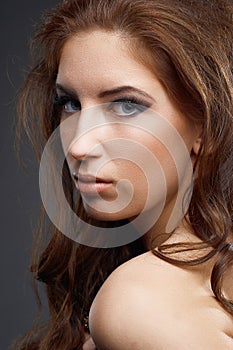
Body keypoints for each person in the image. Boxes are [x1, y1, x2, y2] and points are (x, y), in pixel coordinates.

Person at [14, 0, 233, 349]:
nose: (78, 146)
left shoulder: (139, 304)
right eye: (70, 103)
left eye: (126, 105)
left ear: (205, 127)